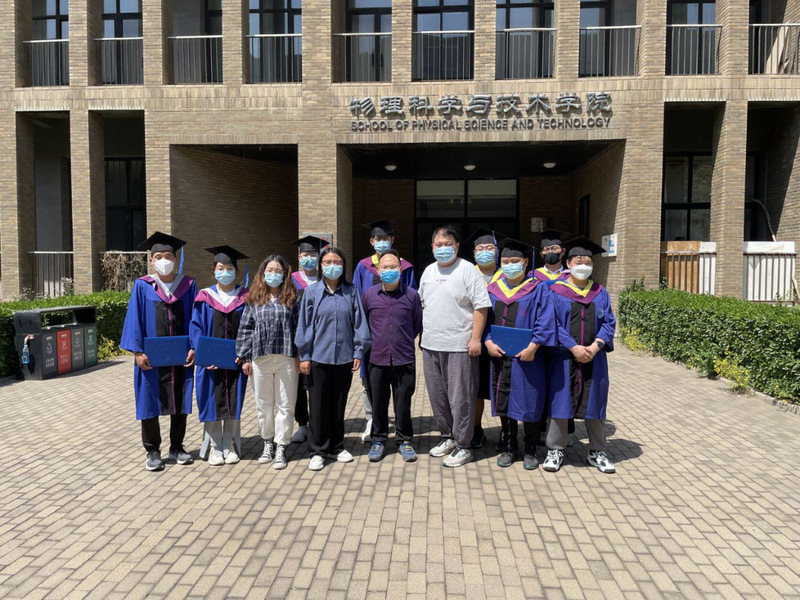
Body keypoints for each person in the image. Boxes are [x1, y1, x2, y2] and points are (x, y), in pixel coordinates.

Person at [121, 232, 197, 472]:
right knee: (149, 400)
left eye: (168, 256)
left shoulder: (188, 285)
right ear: (151, 261)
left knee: (180, 399)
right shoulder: (143, 285)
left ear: (175, 259)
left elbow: (196, 319)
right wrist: (137, 352)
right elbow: (134, 319)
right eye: (158, 256)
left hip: (180, 355)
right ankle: (153, 450)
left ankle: (177, 447)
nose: (164, 260)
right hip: (151, 357)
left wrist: (194, 346)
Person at [418, 226, 491, 468]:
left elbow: (481, 306)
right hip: (431, 345)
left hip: (460, 345)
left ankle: (463, 445)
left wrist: (475, 339)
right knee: (438, 396)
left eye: (447, 244)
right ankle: (447, 437)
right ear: (432, 247)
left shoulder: (468, 270)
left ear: (457, 246)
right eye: (438, 245)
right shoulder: (428, 271)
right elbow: (423, 304)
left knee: (461, 398)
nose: (443, 248)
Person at [543, 236, 617, 474]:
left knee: (595, 403)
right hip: (564, 357)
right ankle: (555, 450)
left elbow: (609, 322)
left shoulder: (600, 291)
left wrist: (595, 346)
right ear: (568, 263)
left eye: (587, 261)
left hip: (595, 358)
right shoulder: (554, 290)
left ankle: (597, 451)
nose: (583, 265)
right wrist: (573, 347)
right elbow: (551, 323)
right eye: (578, 261)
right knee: (560, 403)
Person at [295, 246, 371, 471]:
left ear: (343, 265)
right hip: (318, 358)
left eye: (337, 262)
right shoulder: (312, 292)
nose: (332, 266)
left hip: (344, 357)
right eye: (327, 262)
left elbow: (359, 323)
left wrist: (358, 351)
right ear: (321, 266)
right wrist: (305, 355)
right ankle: (318, 450)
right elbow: (304, 325)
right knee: (318, 406)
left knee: (338, 404)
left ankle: (337, 446)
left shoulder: (350, 291)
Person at [483, 238, 556, 470]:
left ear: (525, 263)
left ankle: (531, 447)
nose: (509, 265)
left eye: (514, 261)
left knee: (530, 400)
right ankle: (509, 445)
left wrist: (533, 347)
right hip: (500, 356)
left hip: (529, 357)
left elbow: (546, 321)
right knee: (504, 399)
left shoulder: (538, 288)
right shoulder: (493, 290)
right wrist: (487, 342)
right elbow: (483, 321)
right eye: (505, 261)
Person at [352, 220, 417, 444]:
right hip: (371, 338)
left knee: (401, 392)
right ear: (371, 241)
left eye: (385, 238)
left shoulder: (405, 267)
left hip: (398, 342)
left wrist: (403, 335)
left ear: (392, 240)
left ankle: (401, 431)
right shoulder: (363, 266)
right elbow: (358, 301)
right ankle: (372, 420)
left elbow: (414, 314)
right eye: (377, 239)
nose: (381, 242)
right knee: (370, 383)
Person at [236, 255, 300, 470]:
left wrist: (301, 355)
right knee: (263, 404)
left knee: (285, 404)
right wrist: (245, 357)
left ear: (285, 274)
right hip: (260, 359)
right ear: (263, 274)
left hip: (286, 358)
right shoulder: (254, 299)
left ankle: (281, 445)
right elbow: (246, 329)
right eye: (269, 270)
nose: (274, 274)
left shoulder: (293, 299)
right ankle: (267, 442)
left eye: (278, 271)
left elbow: (298, 328)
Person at [361, 249, 423, 463]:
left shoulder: (412, 296)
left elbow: (416, 324)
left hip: (404, 357)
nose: (389, 270)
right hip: (376, 358)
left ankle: (404, 440)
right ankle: (378, 439)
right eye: (385, 267)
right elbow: (364, 325)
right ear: (378, 270)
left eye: (393, 267)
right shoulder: (369, 295)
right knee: (378, 402)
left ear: (400, 269)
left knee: (403, 401)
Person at [190, 246, 249, 466]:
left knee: (234, 401)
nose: (225, 272)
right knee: (210, 401)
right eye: (221, 268)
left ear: (236, 271)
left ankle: (230, 444)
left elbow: (250, 328)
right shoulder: (205, 297)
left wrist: (243, 353)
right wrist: (206, 356)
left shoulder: (245, 297)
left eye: (230, 268)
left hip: (236, 362)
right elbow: (196, 327)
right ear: (214, 270)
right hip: (210, 363)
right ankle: (215, 447)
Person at [463, 226, 505, 450]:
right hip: (474, 340)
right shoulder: (467, 273)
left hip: (501, 341)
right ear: (474, 253)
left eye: (490, 248)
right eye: (480, 249)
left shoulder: (508, 274)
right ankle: (476, 429)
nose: (485, 252)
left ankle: (506, 431)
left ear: (497, 251)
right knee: (475, 388)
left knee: (503, 386)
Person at [289, 235, 330, 445]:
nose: (309, 258)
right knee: (298, 385)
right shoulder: (291, 279)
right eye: (305, 254)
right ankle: (302, 424)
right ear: (299, 257)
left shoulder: (327, 278)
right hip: (298, 339)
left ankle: (319, 422)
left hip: (322, 339)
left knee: (319, 384)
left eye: (313, 254)